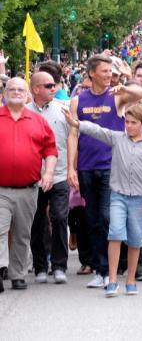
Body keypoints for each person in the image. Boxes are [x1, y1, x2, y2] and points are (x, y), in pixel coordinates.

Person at [63, 104, 142, 297]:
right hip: (118, 196)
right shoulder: (117, 138)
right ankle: (112, 279)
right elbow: (98, 130)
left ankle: (130, 280)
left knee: (134, 240)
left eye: (133, 123)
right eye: (127, 122)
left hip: (140, 199)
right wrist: (78, 124)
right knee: (115, 233)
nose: (129, 126)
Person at [67, 53, 142, 288]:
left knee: (106, 216)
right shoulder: (78, 100)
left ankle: (111, 267)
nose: (108, 75)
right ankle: (100, 270)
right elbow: (73, 134)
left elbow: (141, 95)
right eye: (104, 71)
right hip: (86, 166)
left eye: (110, 71)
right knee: (92, 218)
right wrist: (71, 167)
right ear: (91, 73)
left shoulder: (117, 96)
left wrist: (125, 83)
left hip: (112, 166)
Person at [0, 77, 57, 293]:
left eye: (20, 90)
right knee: (0, 229)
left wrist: (49, 172)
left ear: (27, 95)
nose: (16, 92)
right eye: (11, 89)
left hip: (28, 189)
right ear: (5, 93)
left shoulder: (37, 121)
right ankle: (0, 268)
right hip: (1, 189)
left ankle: (18, 274)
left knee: (23, 233)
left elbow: (50, 150)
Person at [27, 72, 71, 285]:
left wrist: (73, 169)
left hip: (60, 174)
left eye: (55, 85)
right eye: (49, 85)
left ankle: (60, 265)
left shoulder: (64, 109)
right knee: (37, 221)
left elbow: (73, 141)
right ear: (36, 89)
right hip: (33, 177)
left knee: (60, 218)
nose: (54, 88)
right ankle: (40, 266)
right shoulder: (25, 112)